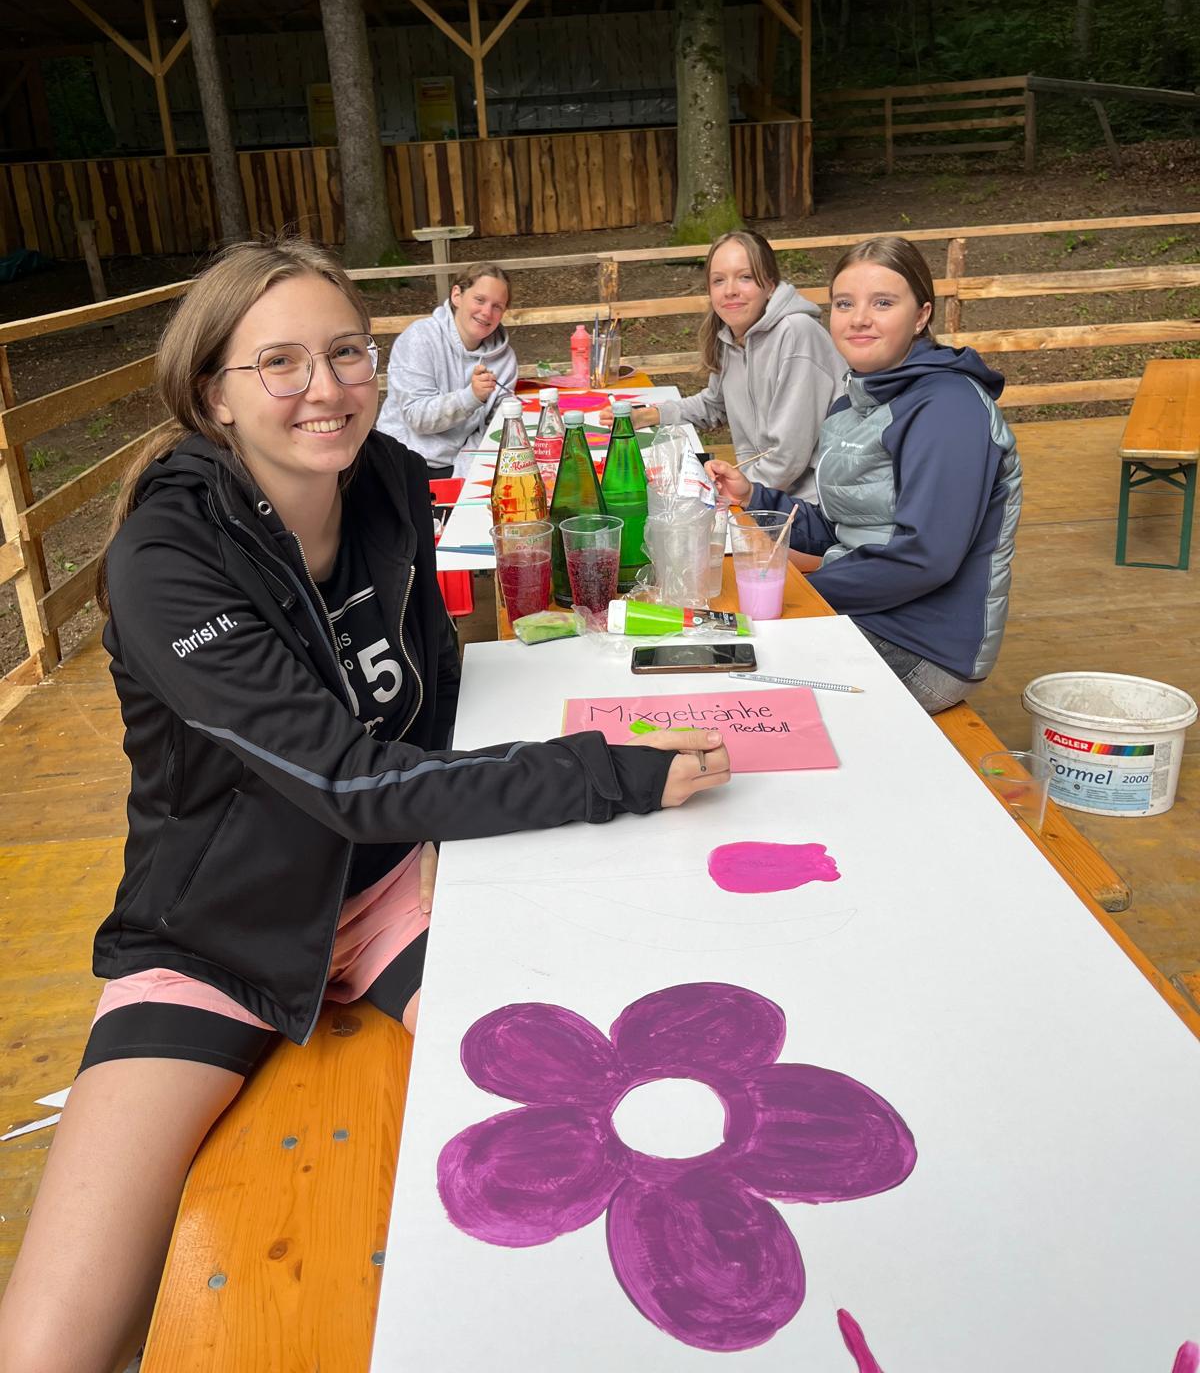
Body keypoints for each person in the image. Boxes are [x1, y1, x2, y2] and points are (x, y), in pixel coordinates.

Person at [0, 239, 730, 1373]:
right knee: (51, 1343)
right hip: (216, 931)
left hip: (392, 881)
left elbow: (428, 689)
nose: (325, 388)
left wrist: (449, 833)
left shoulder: (387, 480)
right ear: (213, 394)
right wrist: (606, 770)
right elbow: (342, 778)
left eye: (346, 353)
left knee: (597, 1131)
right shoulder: (165, 558)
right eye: (279, 363)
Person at [707, 236, 1022, 713]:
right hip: (865, 613)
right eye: (844, 303)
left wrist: (803, 592)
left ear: (921, 315)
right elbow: (839, 526)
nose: (859, 318)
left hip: (922, 647)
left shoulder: (948, 407)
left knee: (732, 687)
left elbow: (923, 558)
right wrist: (755, 495)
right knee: (706, 642)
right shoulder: (854, 402)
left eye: (883, 303)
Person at [600, 229, 845, 501]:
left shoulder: (797, 334)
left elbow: (787, 457)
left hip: (813, 503)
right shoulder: (732, 337)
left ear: (770, 285)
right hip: (763, 489)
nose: (730, 291)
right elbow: (714, 405)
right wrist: (648, 415)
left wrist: (732, 495)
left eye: (745, 277)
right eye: (719, 280)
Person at [376, 262, 519, 478]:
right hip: (404, 462)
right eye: (479, 300)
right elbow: (417, 417)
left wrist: (465, 472)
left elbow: (495, 428)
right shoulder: (419, 338)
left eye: (497, 306)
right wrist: (471, 397)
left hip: (461, 464)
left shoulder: (505, 360)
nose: (487, 312)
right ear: (457, 296)